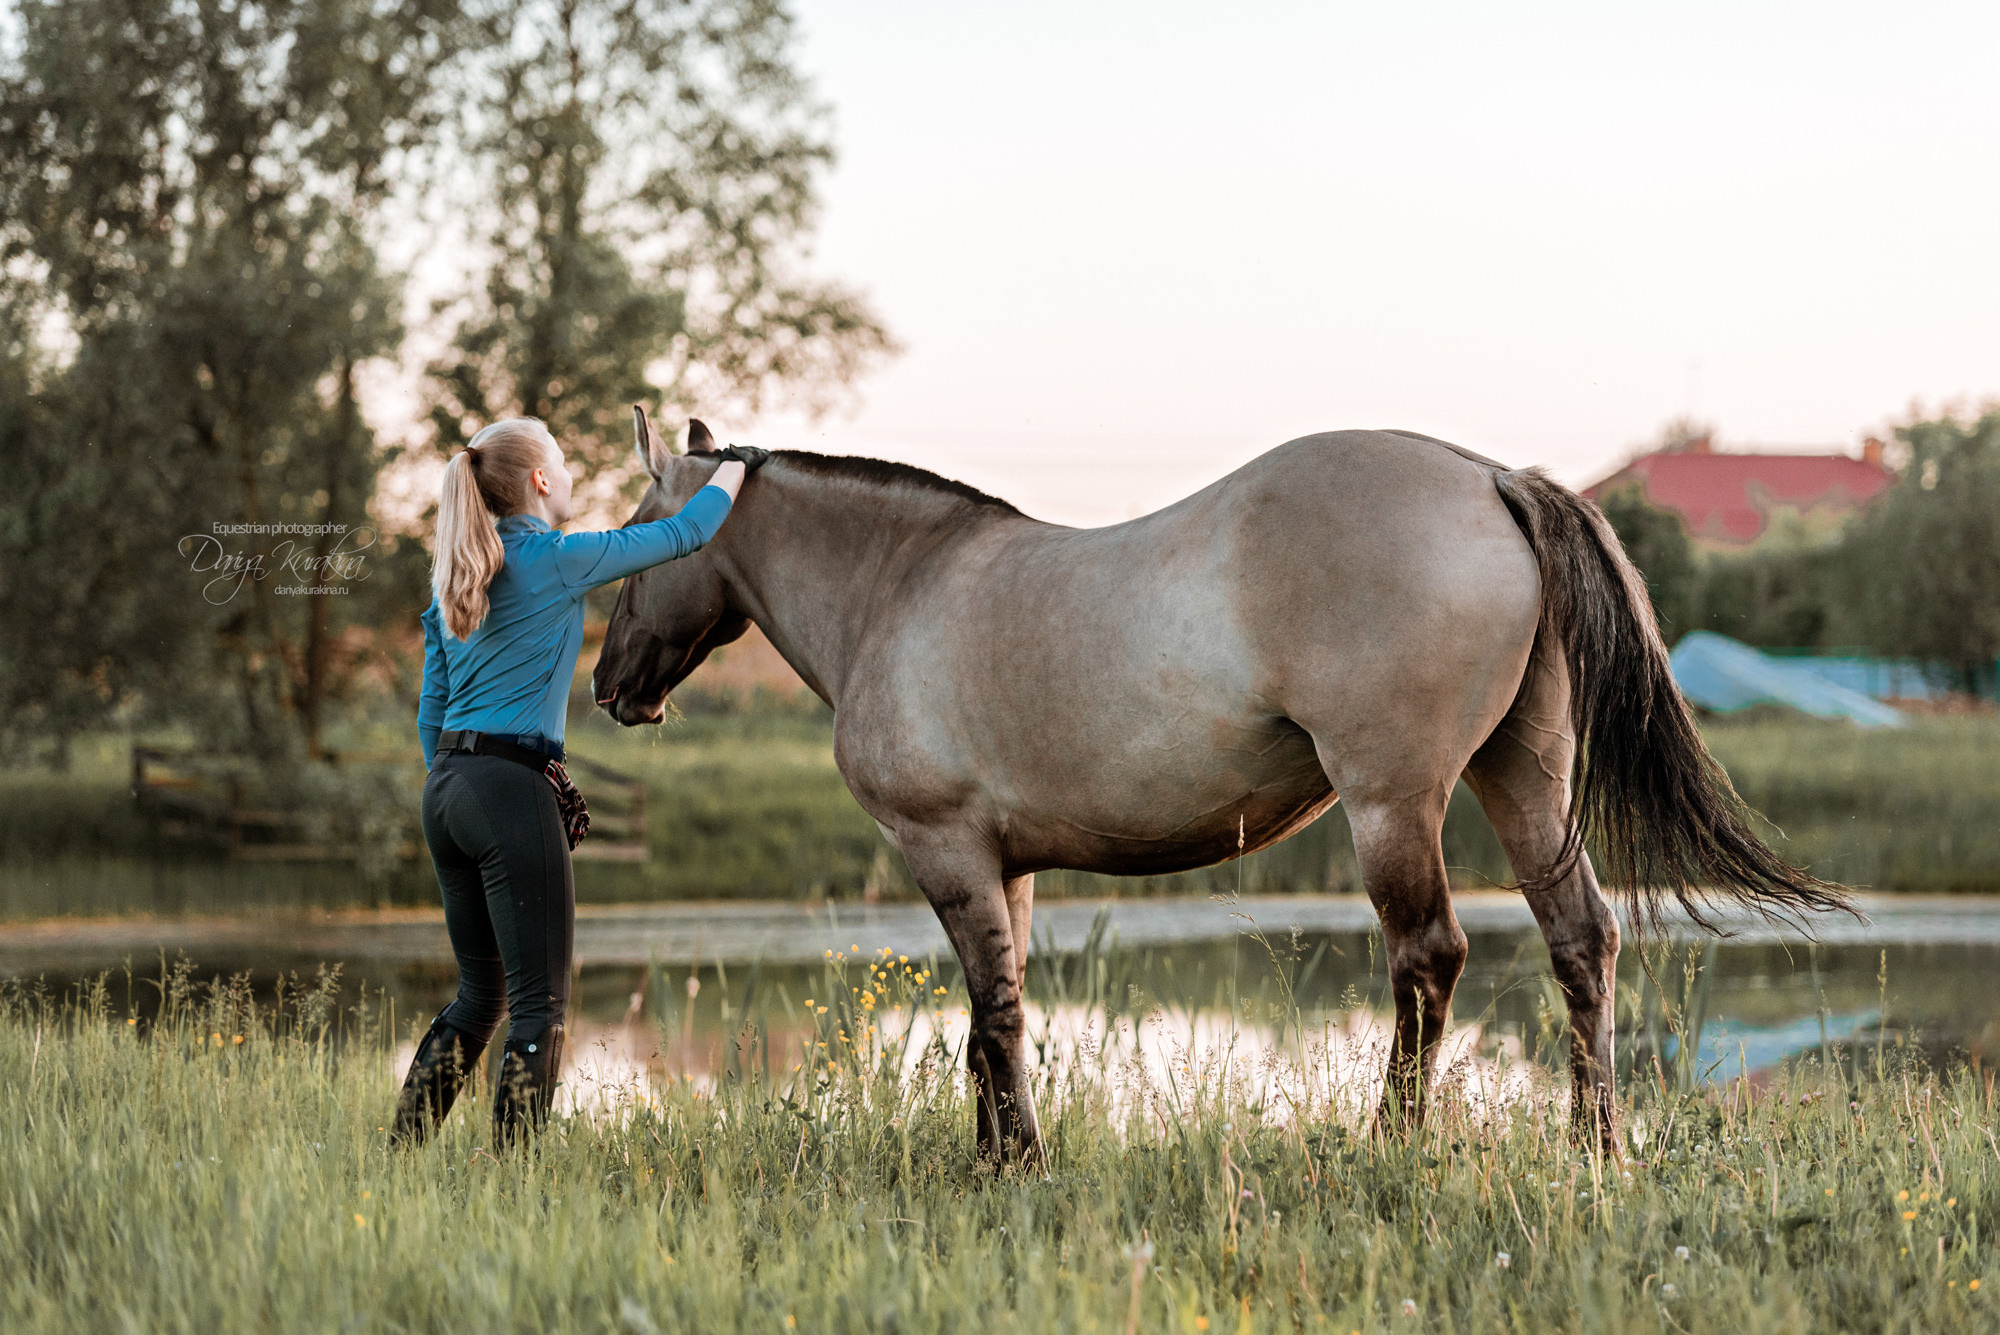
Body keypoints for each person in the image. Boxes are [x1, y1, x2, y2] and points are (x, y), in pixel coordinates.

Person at [391, 416, 753, 1148]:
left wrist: (462, 792)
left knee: (480, 995)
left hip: (448, 793)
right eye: (563, 460)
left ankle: (398, 1157)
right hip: (506, 788)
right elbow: (685, 533)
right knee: (539, 1004)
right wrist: (739, 469)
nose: (572, 475)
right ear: (540, 482)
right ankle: (514, 1181)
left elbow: (432, 714)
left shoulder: (454, 581)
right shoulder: (555, 558)